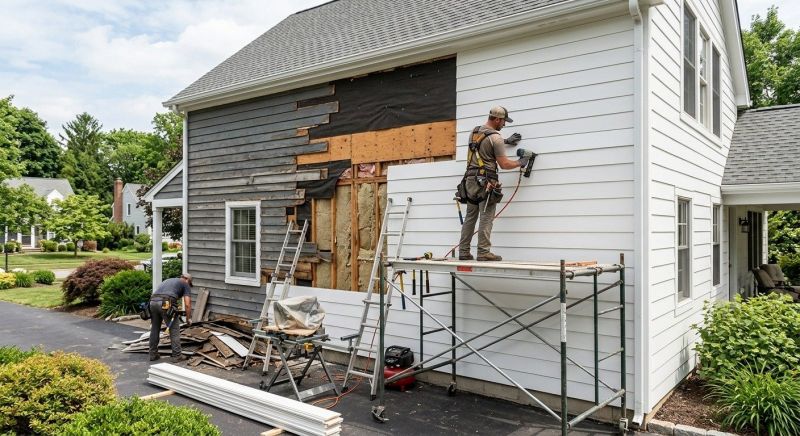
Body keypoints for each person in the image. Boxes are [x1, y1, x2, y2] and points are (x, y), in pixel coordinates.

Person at [458, 106, 529, 262]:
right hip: (486, 182)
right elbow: (503, 164)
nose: (504, 125)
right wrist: (520, 162)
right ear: (497, 119)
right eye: (503, 121)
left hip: (470, 181)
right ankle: (483, 252)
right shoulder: (495, 137)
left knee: (471, 216)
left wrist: (506, 141)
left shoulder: (474, 132)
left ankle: (463, 252)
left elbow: (485, 142)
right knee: (486, 217)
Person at [149, 274, 193, 362]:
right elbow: (187, 304)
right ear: (187, 280)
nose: (189, 286)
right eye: (190, 284)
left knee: (154, 329)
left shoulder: (168, 280)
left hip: (152, 302)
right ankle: (177, 355)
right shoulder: (185, 283)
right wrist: (188, 319)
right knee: (174, 330)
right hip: (166, 303)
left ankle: (153, 354)